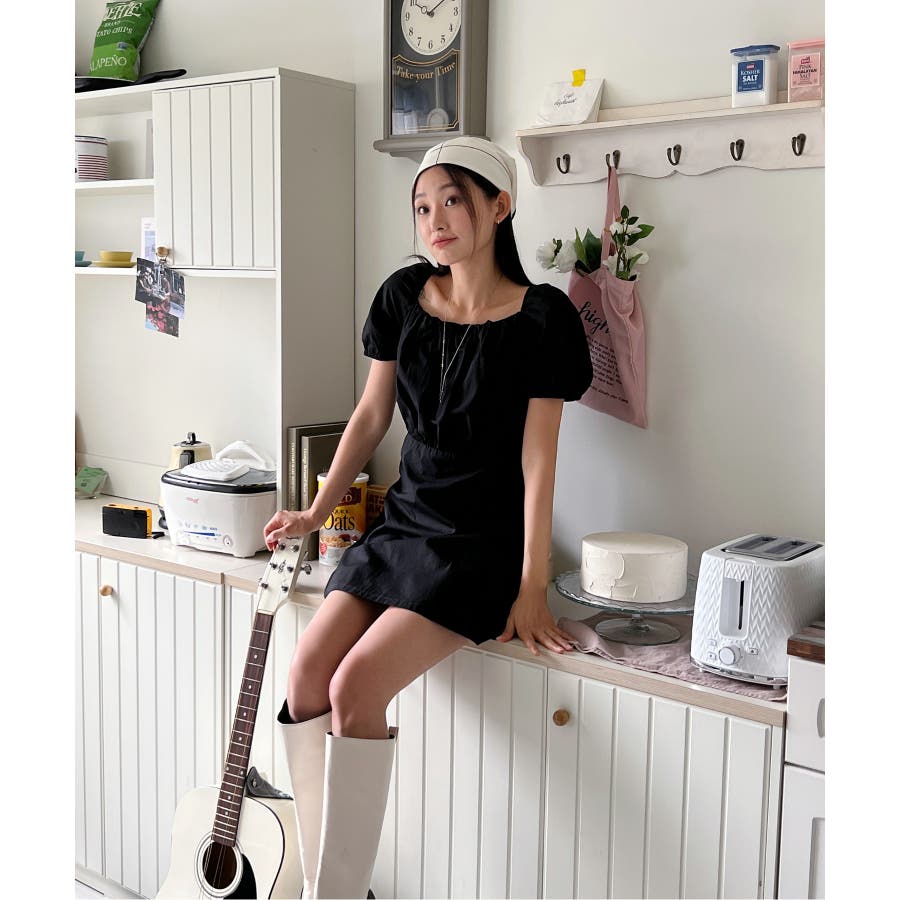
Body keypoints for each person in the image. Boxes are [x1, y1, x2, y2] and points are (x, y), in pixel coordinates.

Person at [264, 136, 593, 899]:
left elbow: (539, 460)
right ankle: (324, 880)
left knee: (355, 688)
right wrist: (315, 510)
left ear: (499, 206)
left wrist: (532, 584)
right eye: (421, 207)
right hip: (405, 524)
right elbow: (371, 416)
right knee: (306, 673)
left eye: (452, 201)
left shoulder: (542, 319)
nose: (434, 221)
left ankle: (336, 894)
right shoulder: (403, 299)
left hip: (480, 545)